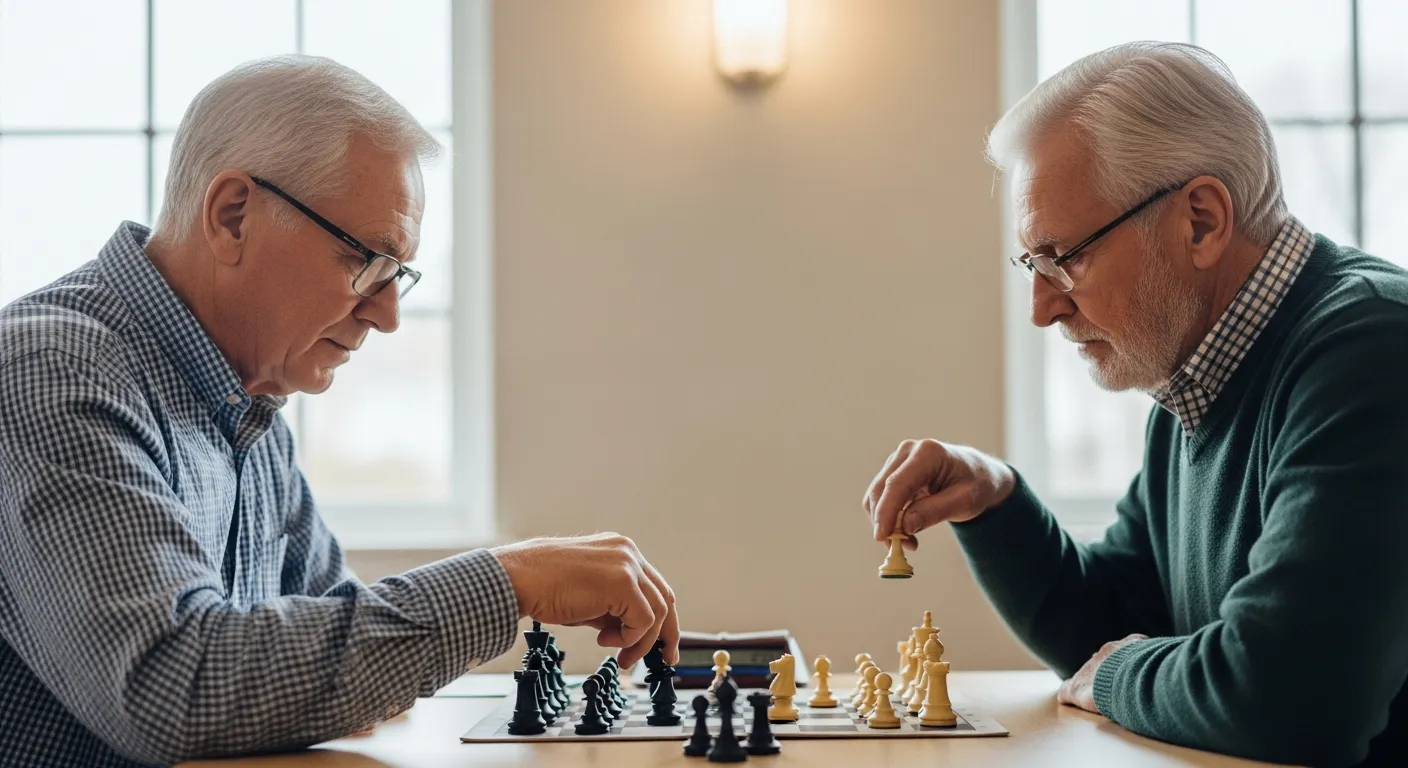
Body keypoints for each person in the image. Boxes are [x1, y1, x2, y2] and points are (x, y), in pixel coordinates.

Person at [0, 55, 678, 767]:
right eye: (367, 261)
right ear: (233, 215)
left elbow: (337, 666)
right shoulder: (52, 373)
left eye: (398, 276)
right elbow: (178, 689)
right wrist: (509, 581)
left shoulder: (250, 410)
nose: (386, 316)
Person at [865, 42, 1408, 768]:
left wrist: (1119, 673)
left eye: (1066, 258)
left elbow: (1290, 695)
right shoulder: (1194, 384)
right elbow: (1113, 622)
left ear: (1201, 221)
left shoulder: (1372, 350)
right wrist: (994, 502)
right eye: (1034, 264)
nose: (1043, 308)